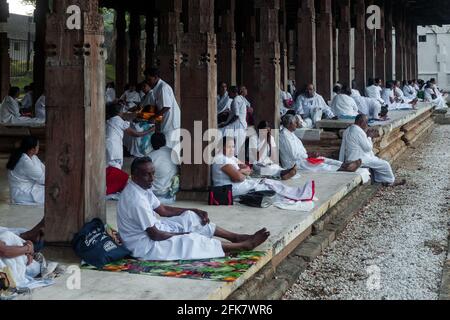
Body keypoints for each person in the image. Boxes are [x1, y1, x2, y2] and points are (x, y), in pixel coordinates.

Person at [117, 157, 270, 261]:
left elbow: (163, 210)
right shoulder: (135, 200)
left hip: (155, 230)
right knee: (190, 240)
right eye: (147, 175)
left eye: (153, 174)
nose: (152, 178)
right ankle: (242, 246)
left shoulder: (141, 187)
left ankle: (234, 236)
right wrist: (183, 234)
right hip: (145, 247)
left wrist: (194, 210)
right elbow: (155, 235)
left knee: (191, 217)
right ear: (135, 175)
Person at [279, 114, 365, 174]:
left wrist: (309, 154)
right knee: (320, 165)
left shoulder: (291, 134)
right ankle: (345, 169)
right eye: (295, 123)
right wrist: (308, 155)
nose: (297, 125)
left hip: (302, 158)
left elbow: (299, 151)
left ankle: (345, 165)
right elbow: (294, 155)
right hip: (294, 164)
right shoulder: (284, 136)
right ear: (290, 124)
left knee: (322, 159)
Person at [340, 114, 406, 186]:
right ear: (361, 122)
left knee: (376, 160)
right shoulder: (358, 131)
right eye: (366, 122)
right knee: (385, 164)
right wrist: (369, 136)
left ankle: (381, 179)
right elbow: (368, 148)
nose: (367, 125)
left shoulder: (348, 129)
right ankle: (390, 182)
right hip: (357, 159)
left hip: (350, 157)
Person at [106, 103, 154, 170]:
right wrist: (150, 130)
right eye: (122, 111)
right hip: (114, 148)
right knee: (115, 169)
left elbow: (129, 116)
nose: (123, 112)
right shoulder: (118, 120)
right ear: (119, 112)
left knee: (108, 168)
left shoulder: (109, 120)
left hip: (108, 146)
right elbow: (136, 134)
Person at [144, 68, 181, 152]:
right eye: (147, 80)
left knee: (170, 147)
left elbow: (166, 107)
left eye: (149, 79)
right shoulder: (156, 88)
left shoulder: (163, 87)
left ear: (156, 77)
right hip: (165, 121)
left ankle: (171, 164)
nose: (148, 82)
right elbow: (156, 106)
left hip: (171, 123)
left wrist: (154, 117)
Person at [6, 137, 45, 205]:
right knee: (54, 192)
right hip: (22, 193)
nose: (39, 147)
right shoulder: (24, 161)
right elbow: (43, 179)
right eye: (38, 146)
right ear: (32, 149)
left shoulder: (33, 157)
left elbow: (45, 170)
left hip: (31, 187)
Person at [148, 133, 179, 204]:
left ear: (152, 143)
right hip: (172, 191)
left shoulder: (150, 157)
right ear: (165, 142)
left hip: (156, 193)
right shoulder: (173, 152)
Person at [219, 86, 248, 158]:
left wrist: (226, 123)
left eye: (229, 92)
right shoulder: (241, 99)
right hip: (242, 126)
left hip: (237, 125)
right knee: (237, 148)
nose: (228, 94)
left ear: (233, 92)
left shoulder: (235, 100)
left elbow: (236, 115)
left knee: (220, 132)